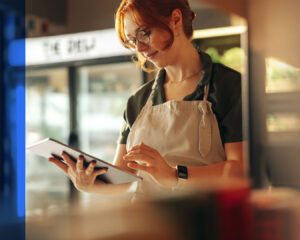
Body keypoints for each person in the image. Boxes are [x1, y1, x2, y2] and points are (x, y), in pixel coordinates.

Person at [49, 0, 244, 200]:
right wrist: (90, 183)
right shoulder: (138, 101)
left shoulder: (229, 86)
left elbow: (240, 170)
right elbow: (124, 178)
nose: (140, 48)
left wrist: (175, 175)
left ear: (176, 19)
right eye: (132, 41)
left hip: (205, 224)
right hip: (146, 225)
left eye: (144, 33)